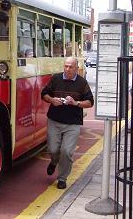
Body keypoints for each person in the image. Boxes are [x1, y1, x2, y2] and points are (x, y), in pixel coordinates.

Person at [41, 57, 94, 189]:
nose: (67, 69)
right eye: (66, 66)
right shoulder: (56, 78)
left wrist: (75, 103)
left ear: (77, 68)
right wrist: (52, 100)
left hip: (72, 123)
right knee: (53, 149)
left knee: (67, 151)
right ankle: (54, 162)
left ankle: (62, 178)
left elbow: (90, 102)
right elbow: (44, 94)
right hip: (54, 120)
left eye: (71, 67)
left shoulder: (82, 83)